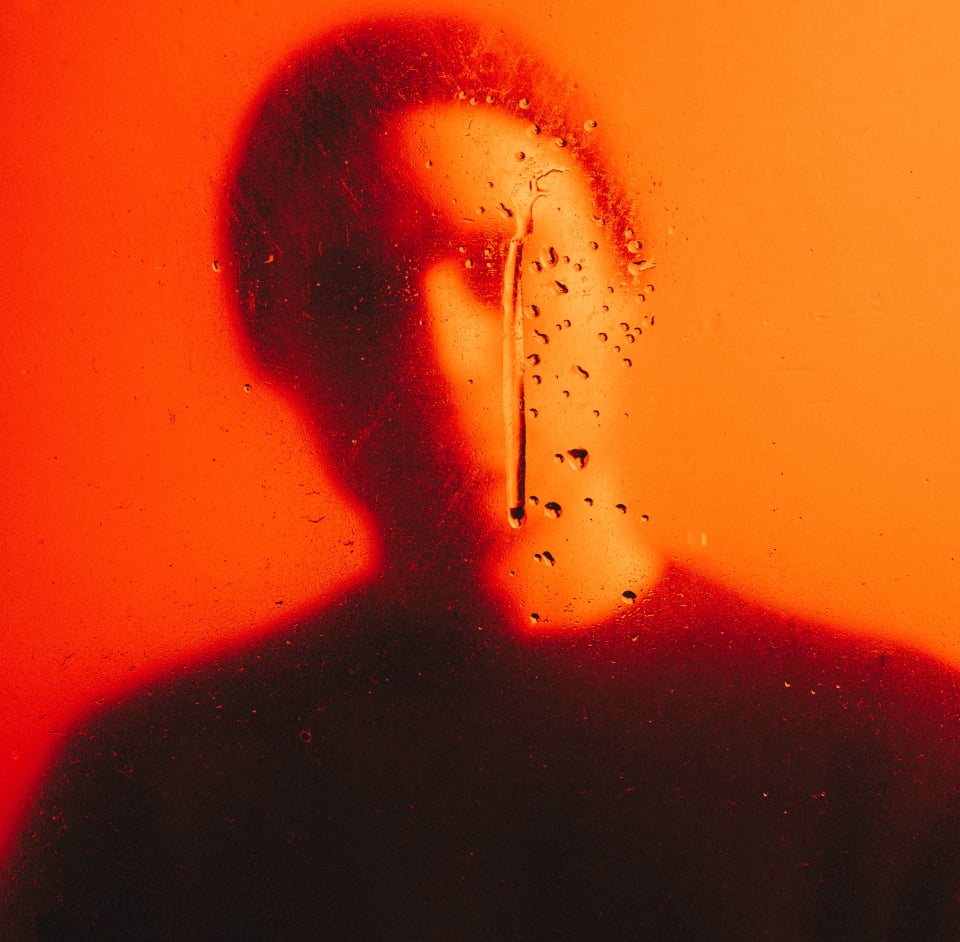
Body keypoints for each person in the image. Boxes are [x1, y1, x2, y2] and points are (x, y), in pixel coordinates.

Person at [4, 15, 960, 940]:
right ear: (270, 340)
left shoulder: (902, 757)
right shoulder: (149, 799)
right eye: (354, 290)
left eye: (506, 266)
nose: (443, 357)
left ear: (622, 285)